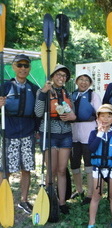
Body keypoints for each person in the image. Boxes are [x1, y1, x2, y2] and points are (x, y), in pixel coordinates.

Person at [35, 64, 76, 214]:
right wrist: (43, 93)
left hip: (65, 134)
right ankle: (49, 200)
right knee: (51, 171)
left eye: (64, 76)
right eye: (58, 75)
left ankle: (62, 202)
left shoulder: (68, 93)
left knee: (61, 170)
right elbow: (38, 113)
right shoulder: (43, 91)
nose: (61, 78)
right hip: (49, 133)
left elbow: (74, 115)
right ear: (52, 76)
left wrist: (72, 116)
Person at [0, 54, 39, 214]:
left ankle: (23, 200)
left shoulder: (34, 88)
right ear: (14, 67)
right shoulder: (5, 87)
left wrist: (37, 130)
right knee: (5, 169)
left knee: (26, 168)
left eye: (26, 65)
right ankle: (3, 199)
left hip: (28, 132)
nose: (23, 68)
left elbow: (38, 112)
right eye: (20, 65)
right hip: (9, 132)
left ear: (29, 68)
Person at [88, 104, 112, 228]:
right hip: (98, 169)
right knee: (96, 195)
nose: (105, 119)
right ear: (97, 118)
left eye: (109, 116)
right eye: (102, 116)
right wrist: (99, 134)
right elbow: (92, 149)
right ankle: (91, 222)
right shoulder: (94, 134)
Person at [70, 69, 102, 205]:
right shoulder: (71, 95)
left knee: (89, 163)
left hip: (88, 132)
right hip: (73, 133)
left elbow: (100, 113)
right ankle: (79, 190)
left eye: (86, 80)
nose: (83, 82)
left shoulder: (93, 95)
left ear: (90, 83)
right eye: (81, 79)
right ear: (76, 81)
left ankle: (90, 193)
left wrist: (100, 132)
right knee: (75, 163)